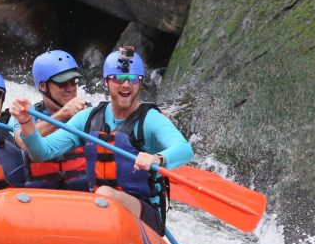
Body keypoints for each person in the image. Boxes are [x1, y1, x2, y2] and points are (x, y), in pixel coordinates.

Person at [10, 46, 193, 234]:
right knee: (99, 198)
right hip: (99, 211)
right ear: (106, 81)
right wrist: (27, 125)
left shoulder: (151, 119)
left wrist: (157, 158)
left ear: (140, 82)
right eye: (118, 78)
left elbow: (184, 149)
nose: (126, 85)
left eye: (132, 79)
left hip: (143, 213)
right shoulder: (89, 117)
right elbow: (42, 152)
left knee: (104, 194)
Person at [15, 49, 90, 191]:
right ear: (43, 87)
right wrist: (62, 114)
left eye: (73, 82)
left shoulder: (90, 113)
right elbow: (22, 141)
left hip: (84, 195)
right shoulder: (25, 114)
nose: (70, 89)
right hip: (43, 197)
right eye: (62, 84)